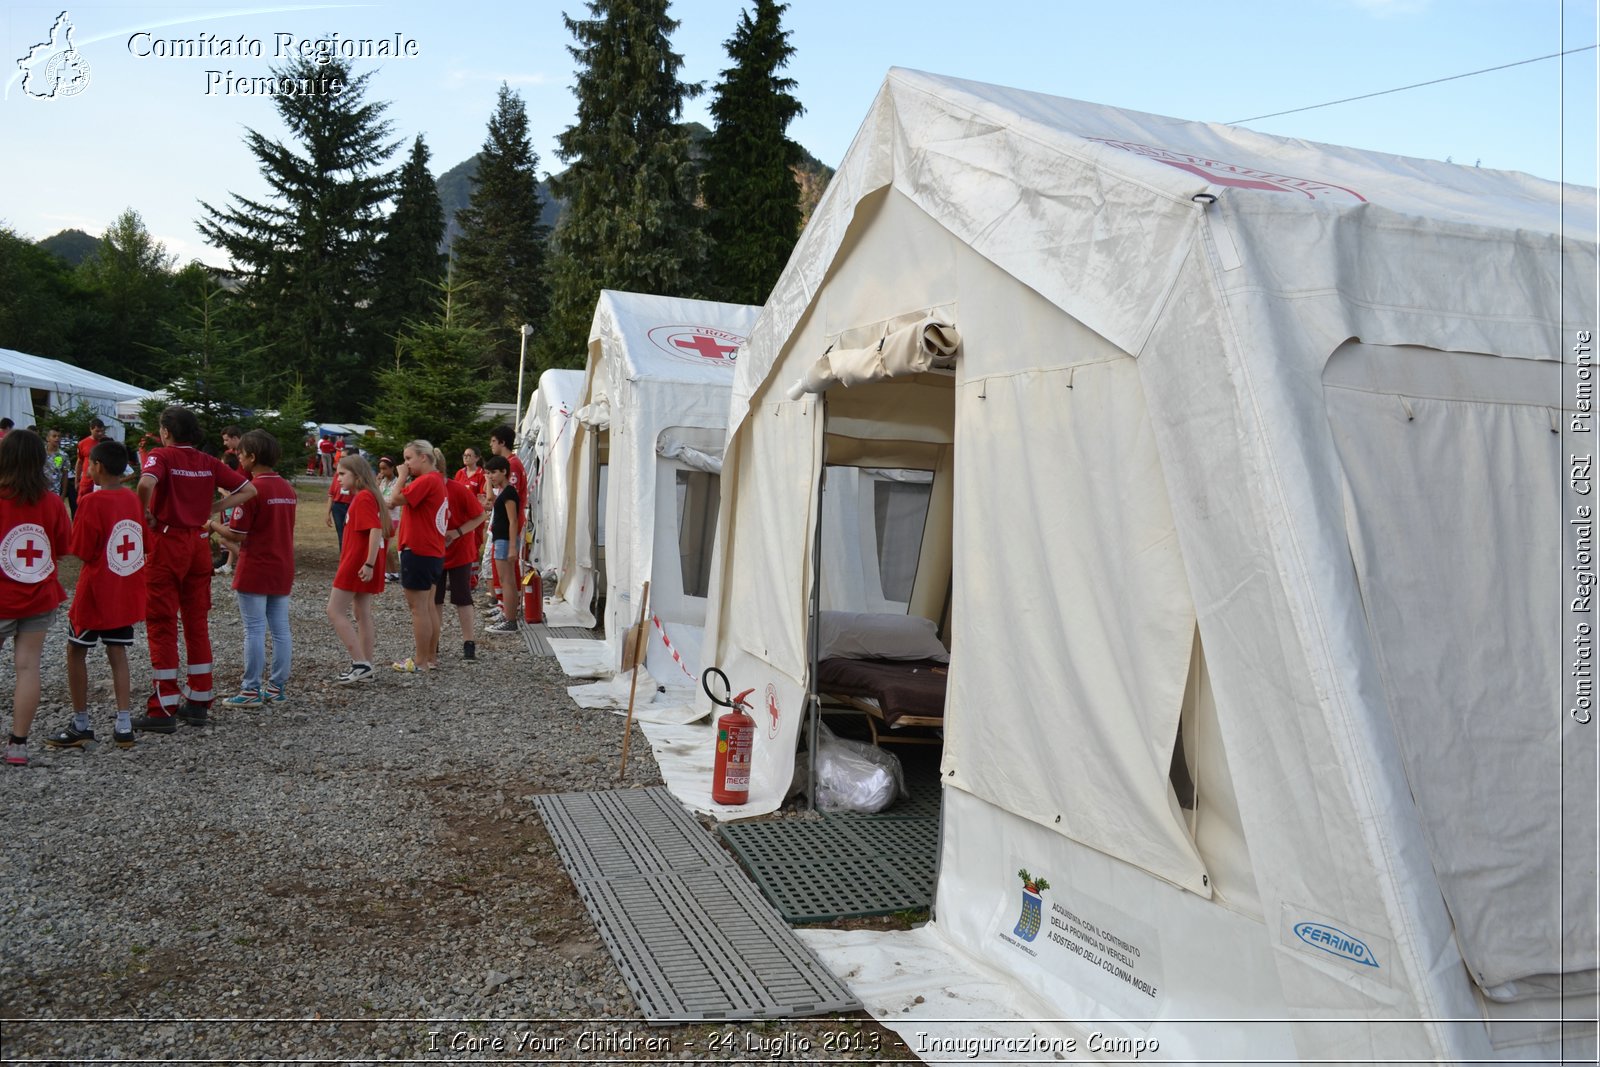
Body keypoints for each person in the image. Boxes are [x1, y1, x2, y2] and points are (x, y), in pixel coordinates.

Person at [135, 405, 254, 732]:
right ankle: (199, 699)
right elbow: (249, 489)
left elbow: (146, 484)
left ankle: (163, 707)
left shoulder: (161, 455)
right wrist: (214, 508)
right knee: (196, 621)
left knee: (161, 622)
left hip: (168, 544)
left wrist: (143, 512)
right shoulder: (208, 461)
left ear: (166, 432)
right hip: (199, 545)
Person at [43, 438, 147, 751]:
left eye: (89, 463)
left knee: (76, 650)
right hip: (123, 590)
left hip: (95, 592)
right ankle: (124, 723)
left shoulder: (90, 502)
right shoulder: (131, 499)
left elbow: (83, 549)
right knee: (118, 653)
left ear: (98, 466)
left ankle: (81, 723)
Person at [0, 431, 72, 766]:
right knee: (28, 667)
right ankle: (18, 746)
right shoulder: (53, 502)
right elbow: (61, 548)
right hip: (39, 595)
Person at [209, 430, 295, 707]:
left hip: (257, 565)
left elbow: (236, 534)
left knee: (255, 630)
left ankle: (250, 690)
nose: (238, 459)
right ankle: (277, 687)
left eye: (241, 454)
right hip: (282, 565)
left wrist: (209, 523)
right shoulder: (286, 488)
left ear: (252, 456)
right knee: (281, 630)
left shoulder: (251, 490)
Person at [327, 453, 390, 684]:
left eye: (342, 474)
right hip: (360, 562)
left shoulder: (363, 498)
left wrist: (369, 563)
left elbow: (375, 530)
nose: (338, 479)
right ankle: (367, 665)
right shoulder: (367, 496)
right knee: (361, 613)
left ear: (357, 475)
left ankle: (360, 663)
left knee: (334, 611)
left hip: (356, 563)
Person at [386, 440, 447, 672]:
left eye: (409, 458)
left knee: (418, 608)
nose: (406, 464)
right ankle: (430, 657)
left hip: (419, 550)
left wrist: (400, 477)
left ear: (424, 457)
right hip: (432, 551)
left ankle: (420, 661)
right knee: (428, 606)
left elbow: (395, 499)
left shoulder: (427, 480)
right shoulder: (437, 480)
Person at [434, 448, 487, 661]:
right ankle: (432, 641)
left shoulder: (458, 489)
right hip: (435, 553)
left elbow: (480, 515)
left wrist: (457, 533)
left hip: (460, 551)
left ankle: (469, 643)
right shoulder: (424, 489)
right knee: (434, 599)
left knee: (462, 597)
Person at [483, 455, 521, 635]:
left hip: (505, 540)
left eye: (494, 472)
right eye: (488, 473)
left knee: (507, 581)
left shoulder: (509, 493)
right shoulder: (503, 492)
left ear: (504, 472)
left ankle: (510, 620)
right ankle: (508, 614)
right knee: (507, 581)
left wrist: (513, 546)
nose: (491, 476)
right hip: (502, 539)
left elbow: (513, 520)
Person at [376, 456, 401, 580]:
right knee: (384, 545)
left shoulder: (397, 483)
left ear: (392, 468)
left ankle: (390, 571)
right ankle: (392, 572)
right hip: (381, 517)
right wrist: (377, 484)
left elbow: (392, 504)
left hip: (392, 518)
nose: (382, 472)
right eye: (380, 469)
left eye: (385, 469)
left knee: (384, 546)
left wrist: (380, 502)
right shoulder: (382, 482)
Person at [76, 417, 107, 500]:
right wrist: (77, 481)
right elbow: (79, 462)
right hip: (86, 481)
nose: (100, 433)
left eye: (102, 431)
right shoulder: (82, 443)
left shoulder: (106, 443)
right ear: (91, 429)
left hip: (101, 482)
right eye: (97, 431)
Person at [326, 469, 353, 548]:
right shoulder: (337, 476)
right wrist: (327, 513)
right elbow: (331, 495)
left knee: (351, 534)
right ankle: (343, 557)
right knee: (341, 535)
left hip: (351, 507)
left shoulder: (355, 475)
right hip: (338, 507)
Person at [43, 429, 71, 497]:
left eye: (59, 436)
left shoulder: (63, 455)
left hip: (55, 492)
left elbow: (65, 475)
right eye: (54, 436)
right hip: (40, 490)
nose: (57, 438)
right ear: (48, 438)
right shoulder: (40, 452)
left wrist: (63, 494)